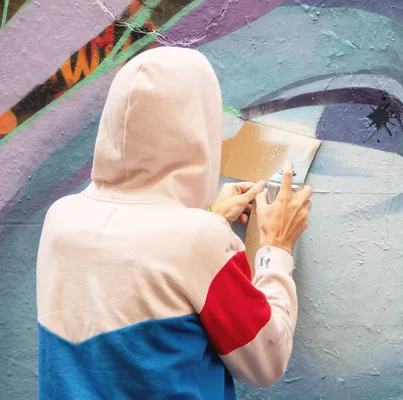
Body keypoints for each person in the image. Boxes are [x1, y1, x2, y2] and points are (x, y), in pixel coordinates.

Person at [36, 46, 313, 399]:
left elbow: (141, 268)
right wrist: (276, 245)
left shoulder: (60, 218)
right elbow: (266, 362)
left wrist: (208, 219)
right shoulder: (198, 240)